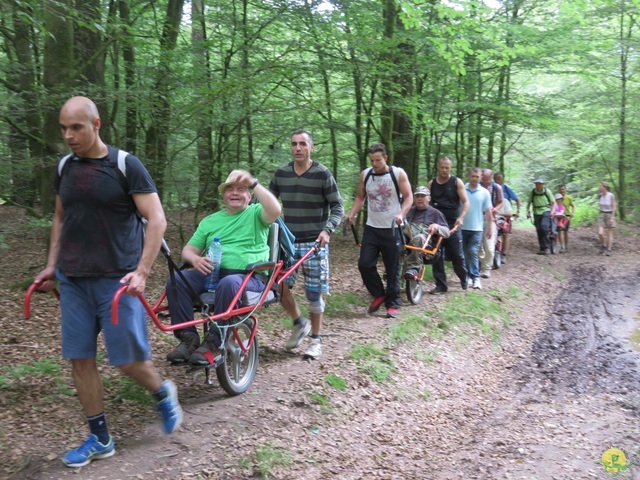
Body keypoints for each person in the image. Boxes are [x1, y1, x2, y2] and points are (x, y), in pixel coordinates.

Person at [33, 96, 182, 468]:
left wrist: (143, 272)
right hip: (73, 280)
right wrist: (52, 265)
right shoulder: (65, 167)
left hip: (118, 280)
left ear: (96, 124)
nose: (69, 136)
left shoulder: (124, 165)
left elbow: (157, 219)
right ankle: (100, 438)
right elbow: (60, 217)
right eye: (64, 128)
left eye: (76, 127)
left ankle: (162, 391)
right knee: (80, 360)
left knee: (128, 360)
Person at [165, 169, 281, 365]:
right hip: (214, 275)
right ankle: (188, 339)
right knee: (176, 280)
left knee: (228, 283)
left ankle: (214, 343)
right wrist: (195, 260)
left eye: (241, 189)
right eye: (229, 189)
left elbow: (275, 210)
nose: (234, 193)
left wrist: (253, 182)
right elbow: (188, 251)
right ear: (223, 195)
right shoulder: (209, 221)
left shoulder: (256, 214)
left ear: (249, 196)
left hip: (251, 277)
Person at [269, 130, 344, 359]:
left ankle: (316, 341)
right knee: (277, 287)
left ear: (311, 147)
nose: (298, 148)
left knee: (314, 294)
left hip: (315, 243)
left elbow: (338, 207)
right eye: (294, 144)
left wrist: (327, 230)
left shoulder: (322, 174)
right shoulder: (281, 174)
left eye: (303, 144)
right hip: (287, 244)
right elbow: (267, 204)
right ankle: (299, 322)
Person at [347, 143, 413, 318]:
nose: (375, 164)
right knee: (365, 264)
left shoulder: (397, 174)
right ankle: (379, 294)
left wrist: (401, 213)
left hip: (392, 228)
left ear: (385, 158)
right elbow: (360, 197)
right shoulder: (366, 174)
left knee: (393, 268)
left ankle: (393, 304)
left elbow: (409, 198)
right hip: (372, 227)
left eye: (378, 160)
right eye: (372, 160)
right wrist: (352, 213)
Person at [427, 156, 470, 294]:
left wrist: (461, 217)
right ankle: (441, 285)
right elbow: (426, 204)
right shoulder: (431, 184)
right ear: (437, 167)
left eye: (447, 167)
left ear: (451, 168)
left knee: (457, 254)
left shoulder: (456, 182)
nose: (444, 170)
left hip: (453, 224)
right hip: (436, 224)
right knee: (436, 254)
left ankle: (463, 277)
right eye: (442, 167)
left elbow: (466, 202)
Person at [403, 186, 450, 281]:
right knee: (395, 237)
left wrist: (437, 227)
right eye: (417, 196)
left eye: (423, 196)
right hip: (407, 241)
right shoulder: (408, 211)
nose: (420, 198)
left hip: (425, 245)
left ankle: (413, 269)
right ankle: (392, 268)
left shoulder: (436, 213)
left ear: (429, 198)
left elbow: (447, 232)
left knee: (419, 237)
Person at [462, 168, 492, 290]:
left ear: (481, 178)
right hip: (463, 226)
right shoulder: (462, 189)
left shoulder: (484, 192)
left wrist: (489, 228)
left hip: (477, 228)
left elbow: (488, 211)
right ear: (469, 176)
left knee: (472, 251)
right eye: (473, 176)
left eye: (477, 176)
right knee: (464, 253)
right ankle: (467, 276)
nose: (475, 178)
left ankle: (476, 278)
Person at [478, 169, 503, 278]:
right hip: (477, 218)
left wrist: (496, 209)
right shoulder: (476, 186)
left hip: (491, 218)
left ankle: (486, 268)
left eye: (487, 178)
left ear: (491, 177)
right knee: (478, 245)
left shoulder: (497, 188)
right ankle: (481, 263)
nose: (485, 180)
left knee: (489, 245)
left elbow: (501, 201)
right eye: (483, 177)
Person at [493, 172, 520, 263]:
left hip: (505, 215)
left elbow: (517, 199)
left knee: (506, 233)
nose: (496, 181)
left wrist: (518, 211)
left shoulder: (507, 189)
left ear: (502, 180)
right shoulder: (492, 188)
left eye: (498, 179)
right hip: (494, 216)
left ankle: (503, 254)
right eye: (495, 179)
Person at [525, 177, 557, 255]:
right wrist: (527, 212)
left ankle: (547, 248)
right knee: (539, 230)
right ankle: (542, 248)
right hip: (536, 212)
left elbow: (554, 203)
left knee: (544, 227)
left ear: (542, 184)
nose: (538, 185)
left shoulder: (547, 191)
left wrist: (552, 211)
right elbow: (529, 203)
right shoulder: (533, 192)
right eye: (537, 184)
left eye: (539, 184)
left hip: (546, 211)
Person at [597, 181, 616, 256]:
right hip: (602, 213)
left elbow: (614, 207)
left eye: (600, 186)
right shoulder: (600, 196)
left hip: (609, 214)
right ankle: (603, 245)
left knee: (609, 233)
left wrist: (612, 217)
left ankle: (609, 249)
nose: (599, 188)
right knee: (600, 233)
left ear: (604, 187)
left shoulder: (611, 195)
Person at [557, 184, 575, 252]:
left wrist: (572, 213)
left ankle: (566, 247)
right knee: (559, 231)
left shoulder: (569, 198)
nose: (562, 191)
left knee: (565, 232)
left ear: (565, 189)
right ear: (559, 190)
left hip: (566, 217)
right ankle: (562, 247)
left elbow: (573, 206)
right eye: (561, 189)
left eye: (563, 189)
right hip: (558, 217)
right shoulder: (557, 198)